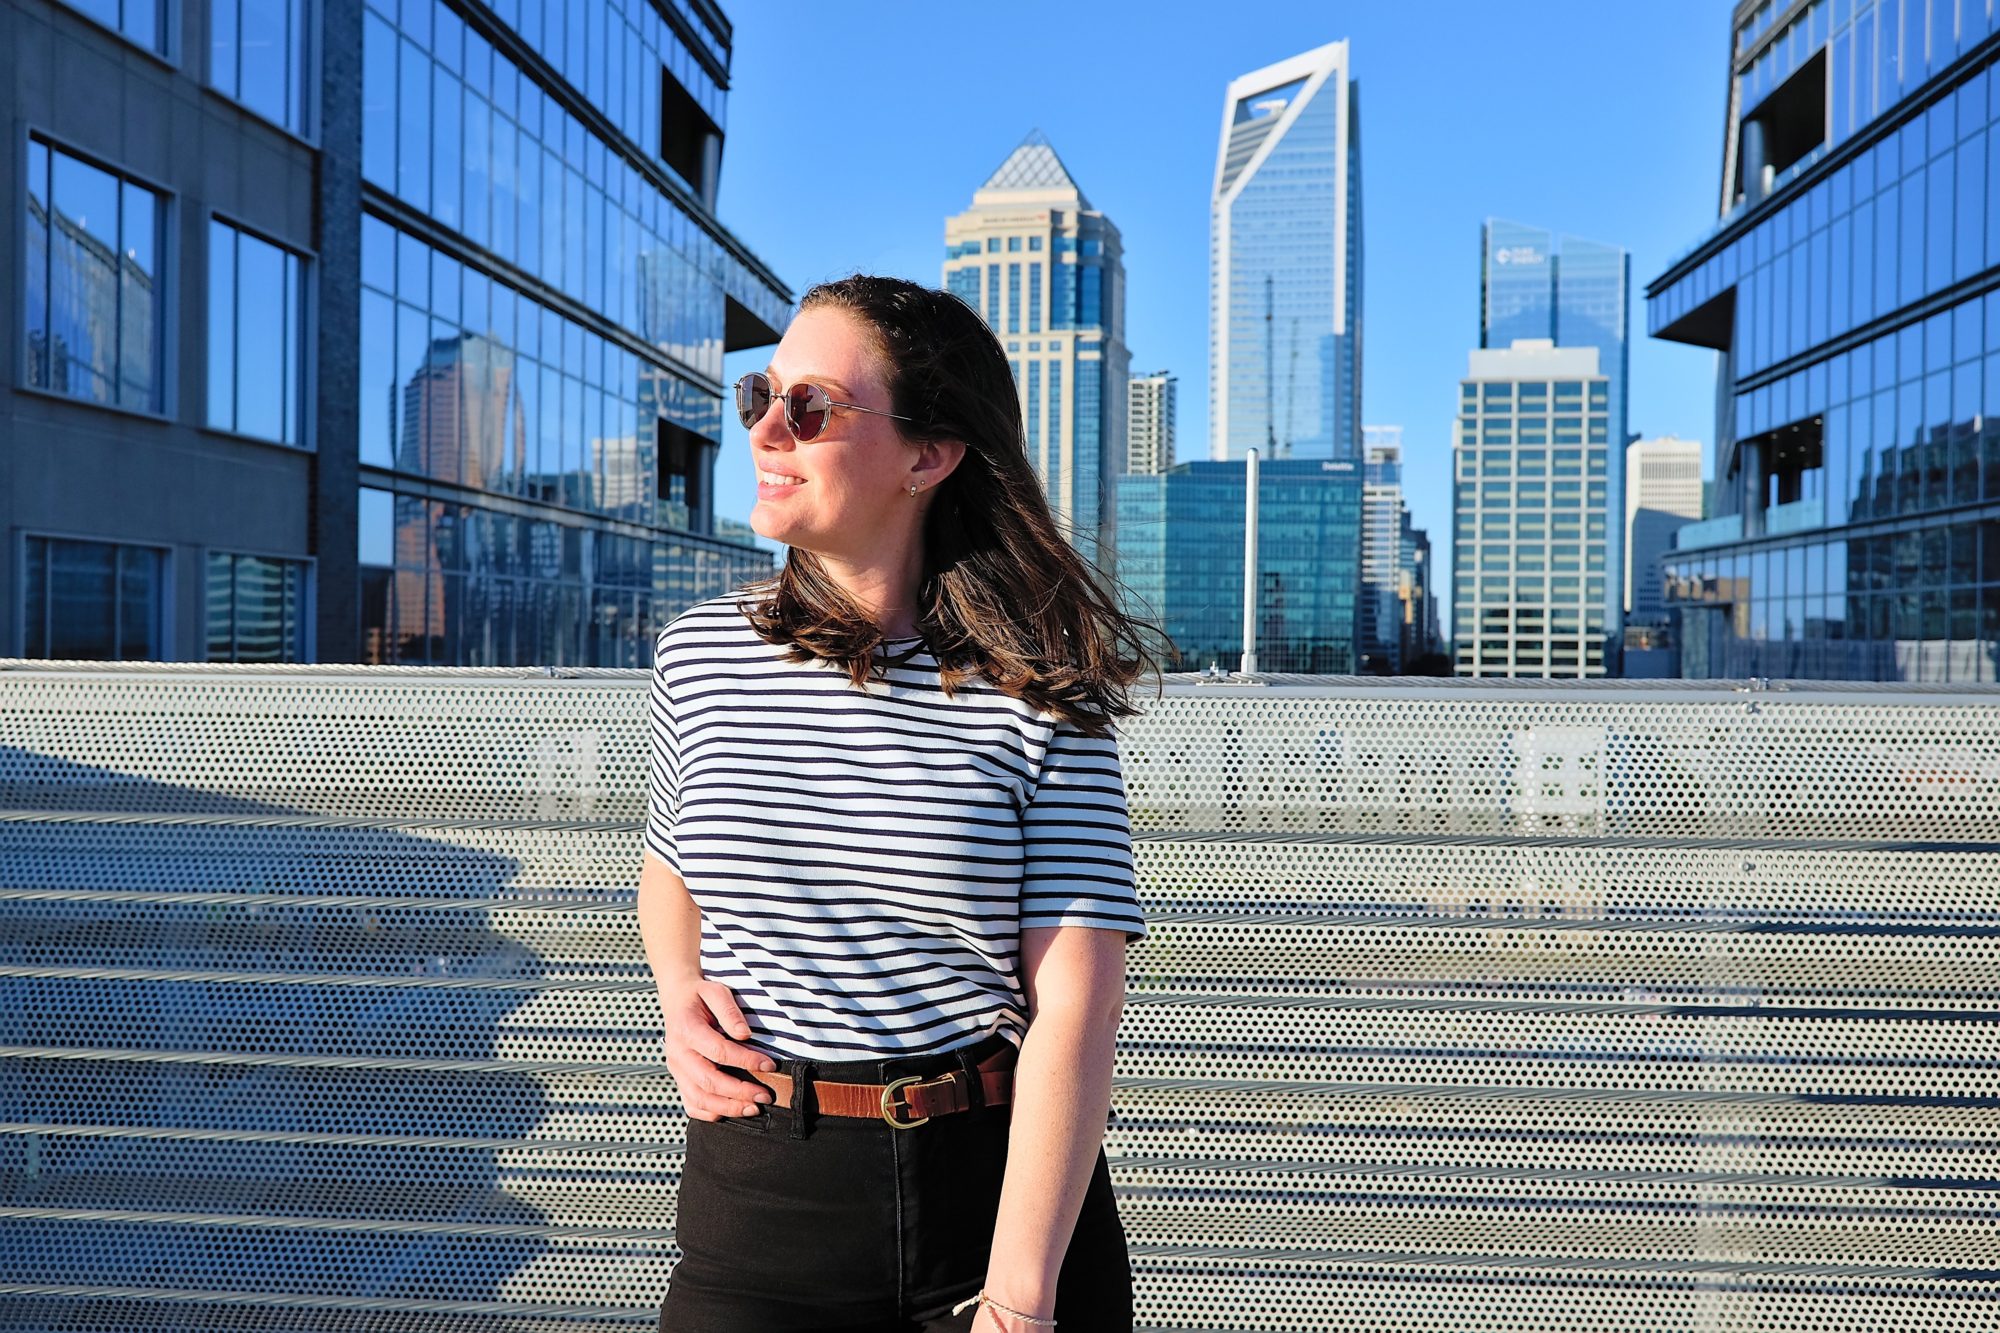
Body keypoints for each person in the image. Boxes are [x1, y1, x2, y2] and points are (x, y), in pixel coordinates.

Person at [639, 273, 1163, 1333]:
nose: (766, 432)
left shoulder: (1035, 686)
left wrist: (1019, 1299)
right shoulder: (697, 654)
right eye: (761, 396)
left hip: (992, 1194)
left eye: (812, 407)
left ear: (928, 456)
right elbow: (670, 863)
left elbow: (1074, 1003)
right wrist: (676, 990)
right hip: (760, 1198)